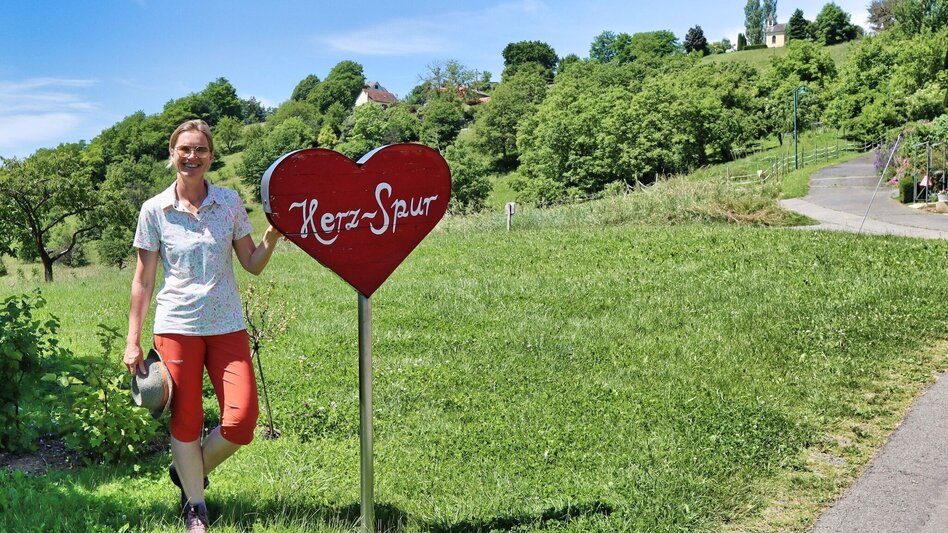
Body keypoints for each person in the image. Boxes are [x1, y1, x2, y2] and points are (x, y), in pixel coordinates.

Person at [123, 119, 282, 532]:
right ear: (172, 154)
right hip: (176, 325)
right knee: (187, 419)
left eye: (201, 150)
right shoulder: (155, 210)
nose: (192, 157)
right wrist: (132, 341)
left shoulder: (229, 202)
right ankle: (196, 506)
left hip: (226, 324)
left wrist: (273, 236)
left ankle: (185, 471)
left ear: (211, 156)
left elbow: (252, 264)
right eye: (184, 149)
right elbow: (143, 279)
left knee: (243, 419)